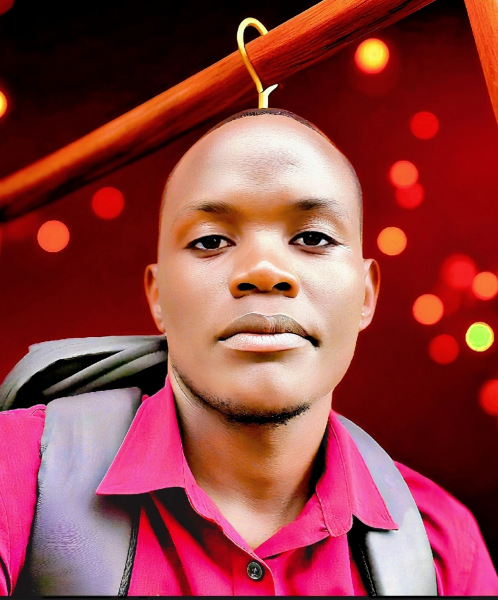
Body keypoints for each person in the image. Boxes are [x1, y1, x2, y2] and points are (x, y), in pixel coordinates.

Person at [1, 108, 497, 596]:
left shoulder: (444, 547)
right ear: (158, 296)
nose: (263, 270)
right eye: (211, 241)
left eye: (313, 237)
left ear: (366, 295)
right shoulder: (17, 469)